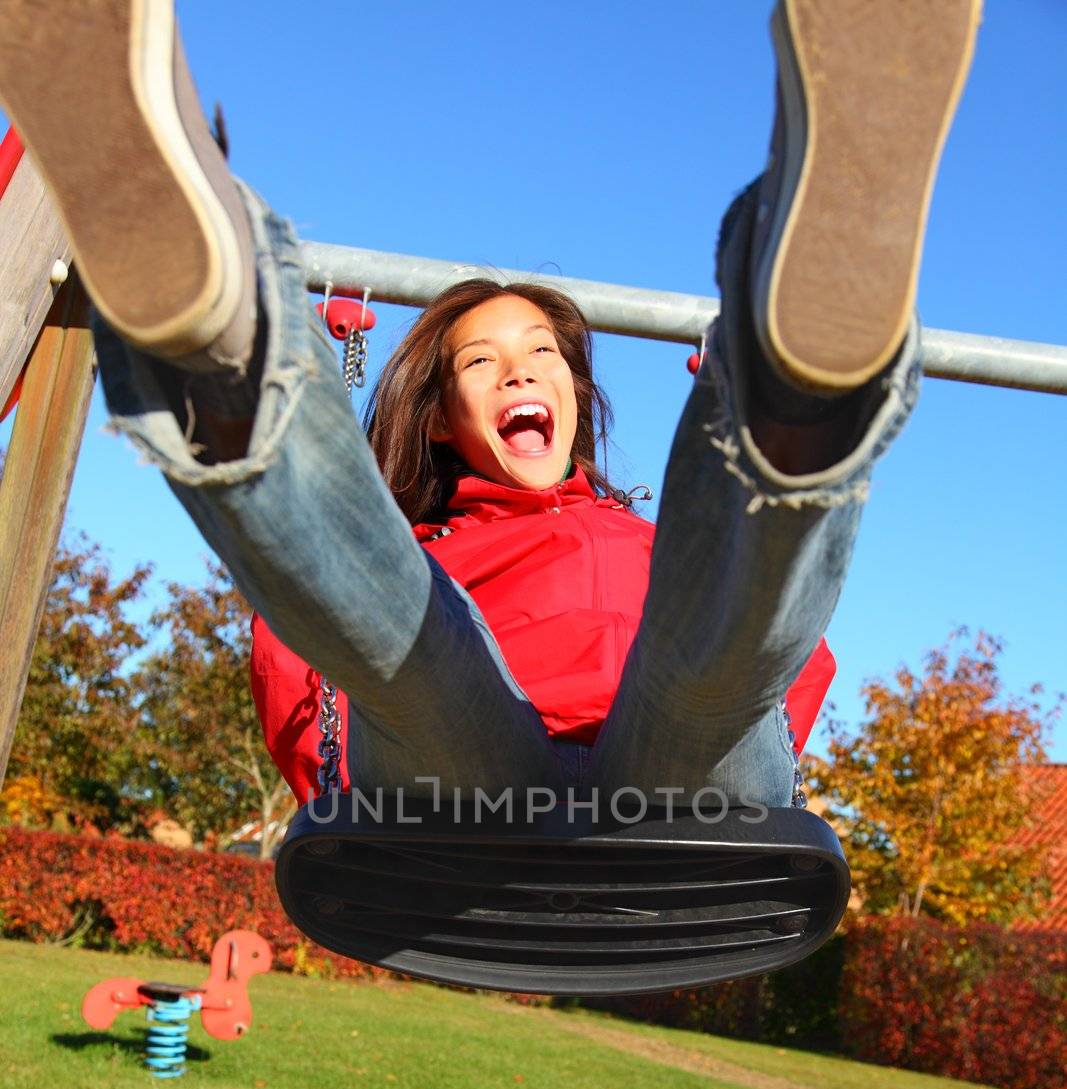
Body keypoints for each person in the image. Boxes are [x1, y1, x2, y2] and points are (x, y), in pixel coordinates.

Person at [0, 0, 982, 824]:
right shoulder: (408, 556)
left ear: (573, 395)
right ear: (437, 414)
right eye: (481, 360)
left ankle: (800, 357)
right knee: (417, 660)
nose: (520, 373)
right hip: (466, 784)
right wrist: (330, 770)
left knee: (703, 680)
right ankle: (218, 338)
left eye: (543, 354)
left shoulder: (657, 542)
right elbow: (308, 660)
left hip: (677, 784)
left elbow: (785, 652)